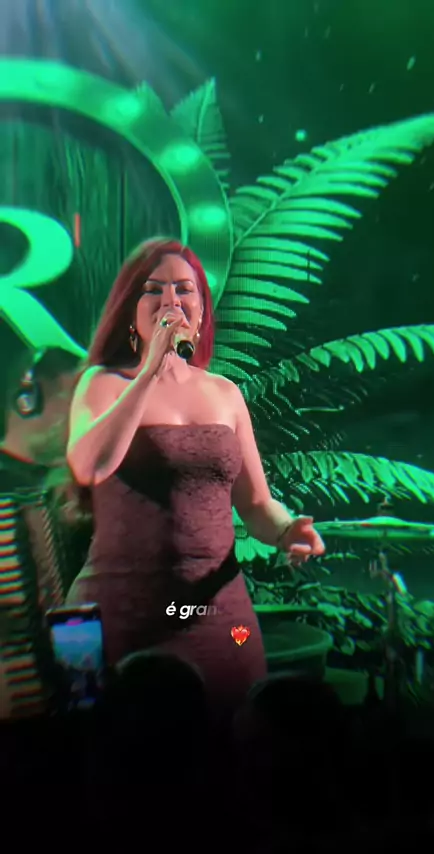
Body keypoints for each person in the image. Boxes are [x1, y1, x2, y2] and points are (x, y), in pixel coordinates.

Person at [66, 237, 325, 720]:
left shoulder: (225, 394)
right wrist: (150, 370)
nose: (171, 300)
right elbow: (89, 466)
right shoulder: (102, 384)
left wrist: (288, 529)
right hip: (121, 611)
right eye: (153, 289)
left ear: (202, 311)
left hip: (216, 613)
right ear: (129, 311)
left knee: (235, 735)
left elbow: (257, 504)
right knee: (119, 748)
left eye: (184, 290)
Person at [0, 346, 89, 718]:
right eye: (72, 400)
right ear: (27, 400)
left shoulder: (65, 489)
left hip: (67, 707)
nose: (83, 417)